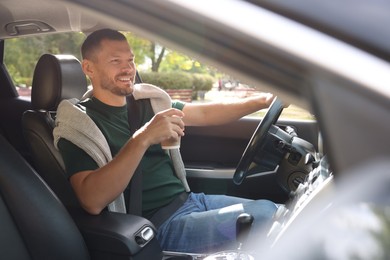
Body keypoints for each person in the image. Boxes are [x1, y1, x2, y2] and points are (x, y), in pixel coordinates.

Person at [54, 28, 278, 254]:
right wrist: (143, 137)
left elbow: (204, 114)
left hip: (191, 201)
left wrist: (264, 100)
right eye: (115, 61)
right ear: (88, 68)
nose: (128, 69)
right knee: (266, 219)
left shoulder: (146, 102)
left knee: (279, 212)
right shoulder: (80, 124)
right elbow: (91, 200)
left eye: (130, 61)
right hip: (158, 225)